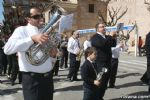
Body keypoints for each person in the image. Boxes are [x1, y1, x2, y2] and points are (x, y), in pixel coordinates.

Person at [4, 6, 57, 100]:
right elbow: (7, 49)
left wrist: (53, 56)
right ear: (28, 19)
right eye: (36, 16)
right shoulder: (21, 30)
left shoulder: (45, 31)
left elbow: (47, 56)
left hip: (48, 78)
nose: (41, 18)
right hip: (32, 79)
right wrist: (32, 39)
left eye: (41, 15)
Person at [91, 22, 116, 100]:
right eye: (102, 27)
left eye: (104, 27)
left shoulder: (106, 37)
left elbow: (113, 44)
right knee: (100, 81)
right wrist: (110, 37)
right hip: (100, 63)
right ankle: (96, 97)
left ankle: (100, 96)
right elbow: (102, 44)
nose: (104, 28)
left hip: (108, 62)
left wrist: (114, 37)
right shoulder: (95, 37)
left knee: (105, 81)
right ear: (97, 29)